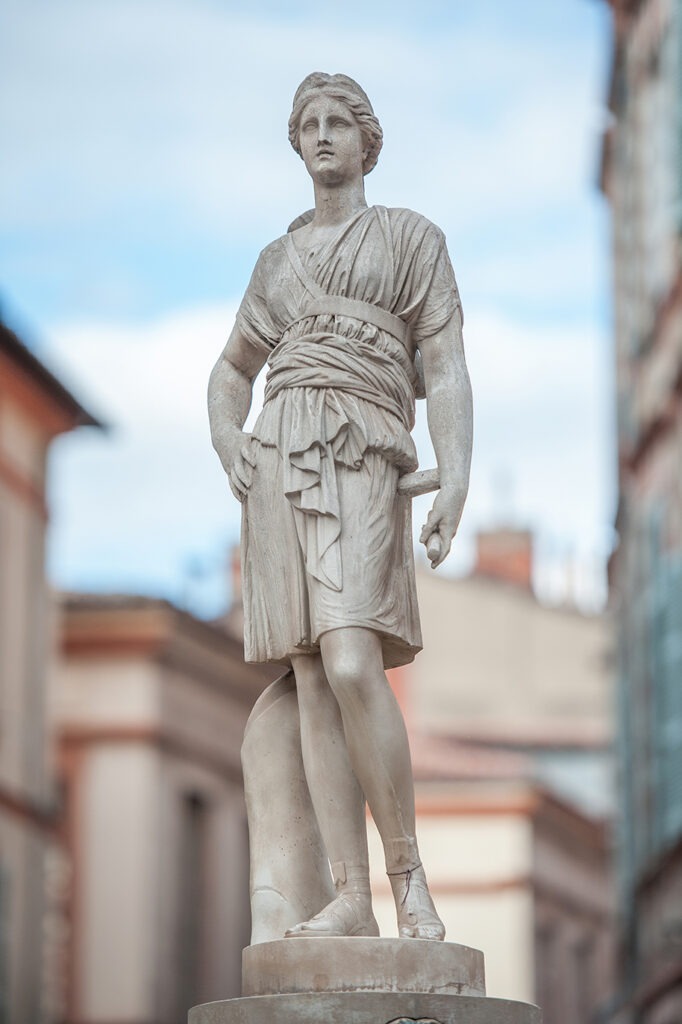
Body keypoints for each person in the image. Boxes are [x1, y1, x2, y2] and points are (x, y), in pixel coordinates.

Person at [208, 72, 472, 941]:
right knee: (315, 673)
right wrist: (227, 436)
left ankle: (411, 883)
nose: (321, 136)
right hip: (280, 455)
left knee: (354, 659)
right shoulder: (274, 264)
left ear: (367, 140)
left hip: (364, 448)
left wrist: (457, 472)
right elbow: (231, 369)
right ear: (298, 144)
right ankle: (349, 896)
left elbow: (445, 368)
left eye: (337, 123)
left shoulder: (409, 239)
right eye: (307, 125)